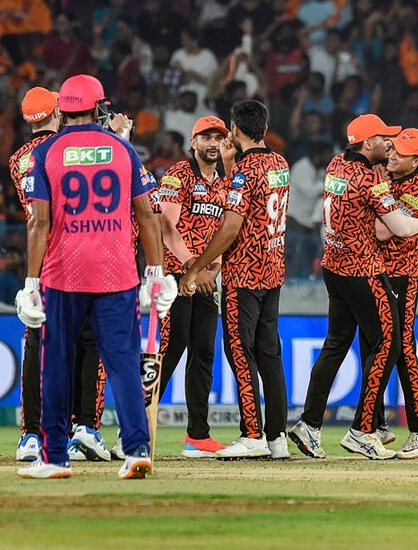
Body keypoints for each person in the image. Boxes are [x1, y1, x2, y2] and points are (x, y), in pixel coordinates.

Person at [16, 74, 176, 479]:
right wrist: (155, 272)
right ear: (99, 107)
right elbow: (147, 215)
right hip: (116, 272)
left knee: (57, 364)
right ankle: (136, 449)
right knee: (123, 364)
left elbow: (39, 223)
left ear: (62, 109)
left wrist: (30, 282)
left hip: (63, 273)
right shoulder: (122, 149)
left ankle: (55, 457)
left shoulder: (46, 152)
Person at [288, 114, 418, 460]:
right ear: (367, 144)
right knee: (390, 343)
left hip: (333, 266)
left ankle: (309, 424)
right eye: (383, 138)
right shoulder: (371, 181)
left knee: (336, 344)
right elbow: (398, 229)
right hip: (362, 270)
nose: (389, 143)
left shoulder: (336, 164)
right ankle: (363, 431)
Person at [178, 100, 290, 460]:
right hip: (273, 271)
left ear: (235, 130)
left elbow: (230, 226)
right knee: (270, 353)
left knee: (240, 353)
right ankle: (277, 437)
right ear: (264, 129)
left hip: (244, 275)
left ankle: (252, 434)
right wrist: (230, 165)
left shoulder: (244, 172)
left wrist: (196, 267)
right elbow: (252, 204)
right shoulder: (280, 164)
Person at [5, 87, 110, 465]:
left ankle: (32, 434)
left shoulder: (19, 159)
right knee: (90, 342)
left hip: (44, 260)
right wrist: (114, 137)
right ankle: (84, 428)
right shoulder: (67, 149)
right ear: (57, 114)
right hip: (83, 253)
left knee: (39, 346)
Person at [152, 115, 229, 458]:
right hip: (176, 276)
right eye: (206, 137)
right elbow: (166, 228)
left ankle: (197, 436)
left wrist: (212, 270)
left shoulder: (225, 182)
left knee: (204, 353)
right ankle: (133, 429)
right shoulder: (177, 175)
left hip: (206, 279)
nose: (213, 143)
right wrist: (191, 269)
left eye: (218, 138)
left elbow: (226, 232)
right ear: (193, 142)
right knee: (171, 349)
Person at [372, 128, 418, 459]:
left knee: (402, 348)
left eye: (402, 153)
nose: (394, 155)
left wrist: (377, 189)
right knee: (379, 346)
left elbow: (383, 232)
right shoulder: (385, 173)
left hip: (403, 275)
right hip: (378, 272)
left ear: (417, 161)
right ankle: (376, 424)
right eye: (394, 148)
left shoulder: (416, 189)